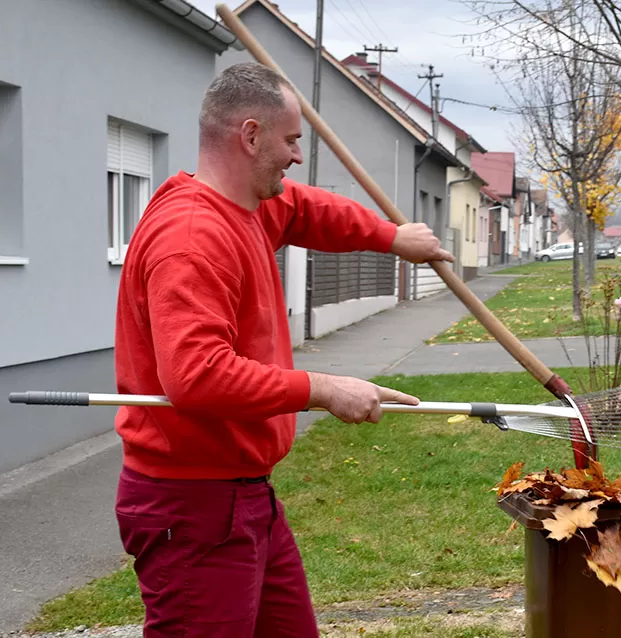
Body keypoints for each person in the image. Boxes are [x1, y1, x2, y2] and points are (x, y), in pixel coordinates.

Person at [112, 61, 453, 637]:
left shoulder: (250, 206)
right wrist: (321, 389)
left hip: (245, 494)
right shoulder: (192, 239)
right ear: (249, 135)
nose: (298, 156)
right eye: (292, 140)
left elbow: (309, 208)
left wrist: (392, 238)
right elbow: (195, 376)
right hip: (193, 507)